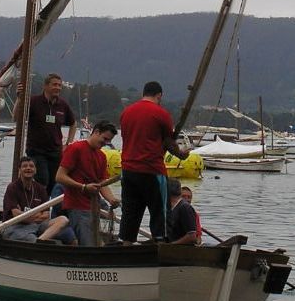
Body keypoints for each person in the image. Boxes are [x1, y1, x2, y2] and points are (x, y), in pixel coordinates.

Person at [119, 80, 191, 243]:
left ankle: (126, 246)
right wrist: (181, 154)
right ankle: (160, 247)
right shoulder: (161, 114)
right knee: (160, 214)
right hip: (152, 170)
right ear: (159, 95)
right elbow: (168, 142)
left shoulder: (126, 112)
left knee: (130, 213)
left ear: (143, 94)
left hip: (128, 170)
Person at [55, 121, 121, 247]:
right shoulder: (76, 148)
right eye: (105, 139)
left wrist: (111, 199)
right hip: (77, 206)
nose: (106, 143)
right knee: (88, 244)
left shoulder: (102, 156)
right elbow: (60, 176)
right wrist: (83, 187)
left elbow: (102, 182)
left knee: (96, 242)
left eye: (109, 140)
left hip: (94, 207)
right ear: (96, 132)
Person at [23, 72, 78, 195]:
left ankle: (46, 209)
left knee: (54, 182)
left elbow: (73, 124)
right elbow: (17, 117)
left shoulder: (62, 105)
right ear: (46, 86)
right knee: (43, 180)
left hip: (55, 151)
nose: (58, 88)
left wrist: (68, 143)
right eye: (54, 85)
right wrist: (19, 98)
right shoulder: (34, 101)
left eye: (59, 85)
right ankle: (38, 207)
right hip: (37, 150)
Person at [2, 156, 73, 243]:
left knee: (63, 219)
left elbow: (46, 215)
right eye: (25, 166)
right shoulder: (12, 188)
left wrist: (25, 216)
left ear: (35, 170)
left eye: (31, 166)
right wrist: (37, 214)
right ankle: (36, 242)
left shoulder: (40, 189)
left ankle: (40, 240)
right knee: (30, 238)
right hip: (15, 226)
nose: (28, 168)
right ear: (19, 170)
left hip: (37, 225)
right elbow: (16, 215)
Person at [167, 179, 199, 246]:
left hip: (181, 250)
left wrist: (171, 245)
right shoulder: (169, 208)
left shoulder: (185, 208)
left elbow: (192, 237)